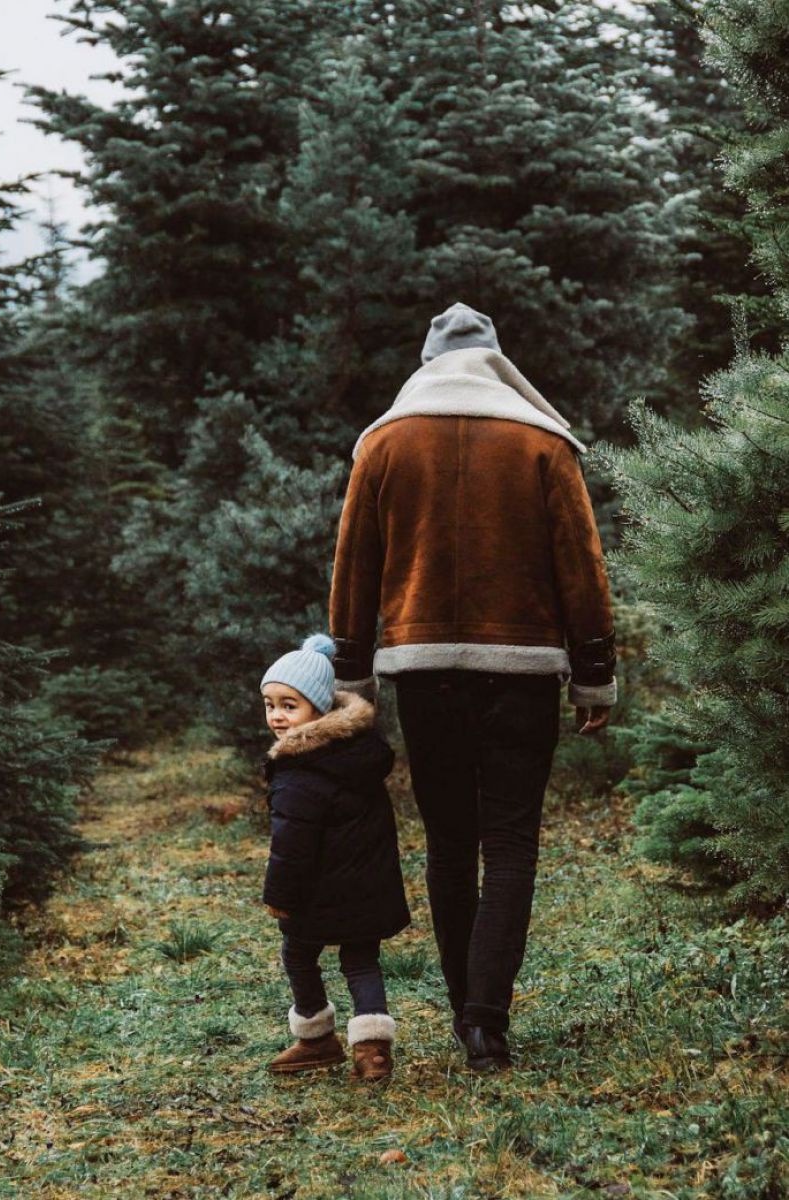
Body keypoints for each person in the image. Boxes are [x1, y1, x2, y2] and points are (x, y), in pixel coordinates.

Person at [329, 301, 617, 1071]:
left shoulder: (384, 443)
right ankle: (486, 1022)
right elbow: (581, 568)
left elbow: (352, 566)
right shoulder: (541, 441)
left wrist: (352, 673)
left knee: (450, 842)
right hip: (520, 669)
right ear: (494, 359)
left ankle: (466, 1008)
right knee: (511, 841)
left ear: (426, 362)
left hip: (423, 672)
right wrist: (593, 673)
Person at [260, 633, 411, 1083]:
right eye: (270, 705)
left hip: (317, 892)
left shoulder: (300, 769)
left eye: (290, 705)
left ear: (320, 707)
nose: (277, 717)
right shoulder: (358, 752)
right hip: (366, 887)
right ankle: (373, 1050)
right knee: (361, 960)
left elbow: (291, 844)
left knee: (299, 954)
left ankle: (316, 1036)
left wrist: (280, 896)